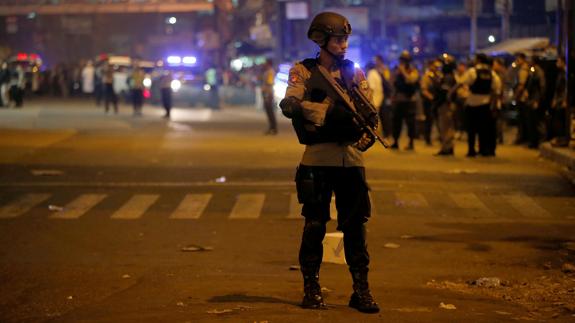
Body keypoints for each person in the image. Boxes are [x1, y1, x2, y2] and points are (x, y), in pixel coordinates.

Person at [279, 11, 379, 313]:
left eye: (346, 38)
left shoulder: (354, 72)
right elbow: (290, 104)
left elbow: (369, 109)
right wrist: (322, 113)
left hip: (351, 159)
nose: (344, 44)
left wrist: (371, 129)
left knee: (355, 227)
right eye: (338, 39)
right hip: (318, 158)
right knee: (314, 225)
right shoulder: (303, 71)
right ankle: (311, 288)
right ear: (321, 39)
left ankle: (361, 290)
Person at [459, 53, 502, 157]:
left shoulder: (472, 71)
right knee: (483, 129)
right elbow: (496, 90)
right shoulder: (492, 73)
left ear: (478, 60)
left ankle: (471, 150)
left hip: (472, 103)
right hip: (485, 104)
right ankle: (483, 150)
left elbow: (462, 82)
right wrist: (494, 105)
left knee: (471, 129)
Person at [391, 50, 420, 150]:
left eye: (404, 60)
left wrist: (402, 72)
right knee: (396, 122)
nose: (402, 62)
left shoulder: (412, 70)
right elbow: (394, 83)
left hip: (409, 100)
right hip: (399, 99)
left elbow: (411, 80)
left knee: (410, 123)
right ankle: (395, 142)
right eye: (402, 60)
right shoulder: (397, 70)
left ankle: (411, 142)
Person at [434, 54, 457, 156]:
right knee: (448, 127)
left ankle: (446, 148)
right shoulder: (450, 76)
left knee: (445, 127)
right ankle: (449, 146)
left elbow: (444, 93)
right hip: (447, 104)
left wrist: (438, 104)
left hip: (445, 105)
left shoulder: (448, 77)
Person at [367, 55, 392, 139]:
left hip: (383, 96)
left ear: (380, 61)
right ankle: (382, 133)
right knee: (381, 116)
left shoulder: (384, 70)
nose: (375, 62)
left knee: (384, 116)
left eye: (377, 60)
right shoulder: (375, 72)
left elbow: (387, 81)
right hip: (379, 96)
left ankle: (385, 133)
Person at [524, 55, 546, 149]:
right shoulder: (533, 71)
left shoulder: (539, 72)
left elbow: (541, 87)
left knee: (536, 121)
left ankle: (538, 141)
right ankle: (532, 142)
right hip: (531, 99)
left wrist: (538, 100)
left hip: (535, 100)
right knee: (531, 121)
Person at [420, 58, 442, 146]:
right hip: (429, 102)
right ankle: (427, 139)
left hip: (437, 101)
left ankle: (440, 138)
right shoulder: (427, 76)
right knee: (429, 121)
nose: (436, 68)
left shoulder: (438, 75)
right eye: (434, 66)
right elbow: (424, 90)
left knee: (438, 120)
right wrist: (432, 98)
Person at [550, 56, 567, 145]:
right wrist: (555, 99)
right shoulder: (561, 73)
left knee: (560, 120)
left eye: (559, 61)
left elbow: (566, 88)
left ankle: (562, 138)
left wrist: (565, 99)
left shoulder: (565, 73)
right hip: (558, 100)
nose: (557, 63)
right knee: (557, 120)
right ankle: (559, 138)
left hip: (562, 100)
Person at [512, 53, 530, 145]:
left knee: (522, 119)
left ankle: (522, 138)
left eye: (518, 60)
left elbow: (521, 86)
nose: (516, 62)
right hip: (524, 98)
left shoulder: (523, 70)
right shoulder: (524, 69)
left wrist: (516, 96)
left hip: (523, 98)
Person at [261, 58, 278, 135]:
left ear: (269, 64)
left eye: (265, 63)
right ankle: (271, 127)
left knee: (270, 111)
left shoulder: (270, 72)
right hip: (267, 92)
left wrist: (268, 94)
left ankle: (273, 128)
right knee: (268, 111)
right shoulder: (267, 71)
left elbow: (269, 83)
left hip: (268, 93)